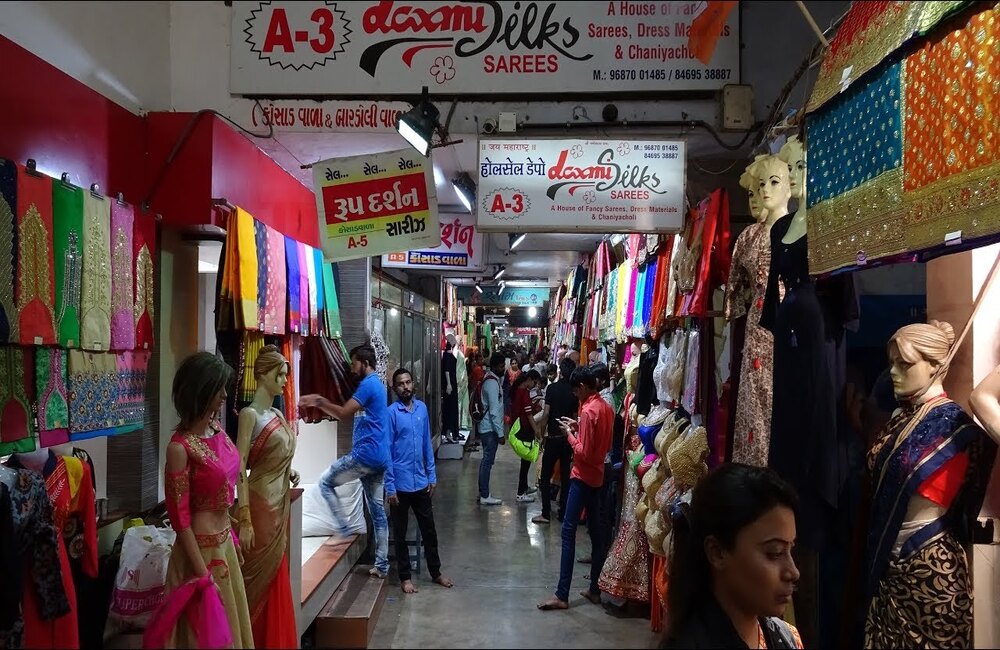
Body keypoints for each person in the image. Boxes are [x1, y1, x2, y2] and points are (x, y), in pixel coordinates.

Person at [162, 352, 253, 647]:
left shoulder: (218, 432)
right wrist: (202, 576)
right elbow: (181, 520)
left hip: (225, 545)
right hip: (198, 555)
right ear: (201, 391)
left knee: (230, 629)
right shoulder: (180, 448)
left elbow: (225, 494)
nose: (225, 395)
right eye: (219, 389)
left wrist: (235, 541)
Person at [662, 463, 803, 649]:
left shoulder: (787, 638)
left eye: (790, 550)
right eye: (774, 553)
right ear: (717, 552)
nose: (793, 572)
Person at [300, 344, 392, 579]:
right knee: (377, 512)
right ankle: (382, 566)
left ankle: (343, 529)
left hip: (365, 455)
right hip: (379, 457)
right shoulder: (378, 386)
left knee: (325, 482)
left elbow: (342, 413)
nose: (352, 368)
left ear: (365, 363)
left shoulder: (368, 385)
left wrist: (319, 401)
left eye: (353, 363)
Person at [235, 345, 299, 648]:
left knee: (276, 573)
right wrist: (244, 518)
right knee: (256, 575)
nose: (285, 380)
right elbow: (238, 468)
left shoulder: (275, 413)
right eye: (281, 374)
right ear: (263, 375)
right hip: (260, 506)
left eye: (286, 374)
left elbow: (278, 455)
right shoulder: (249, 416)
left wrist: (289, 470)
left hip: (280, 502)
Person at [537, 365, 614, 611]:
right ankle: (594, 589)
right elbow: (601, 447)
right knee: (598, 534)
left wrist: (569, 435)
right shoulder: (606, 408)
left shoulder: (590, 410)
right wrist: (577, 427)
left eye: (576, 391)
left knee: (568, 533)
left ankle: (562, 594)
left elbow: (584, 452)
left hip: (582, 478)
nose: (575, 396)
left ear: (582, 387)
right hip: (598, 477)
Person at [385, 368, 454, 594]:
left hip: (421, 481)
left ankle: (436, 572)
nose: (405, 387)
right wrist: (390, 486)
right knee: (400, 532)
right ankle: (405, 577)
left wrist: (431, 475)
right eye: (400, 384)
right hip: (400, 485)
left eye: (408, 382)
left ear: (413, 384)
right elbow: (386, 451)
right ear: (395, 388)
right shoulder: (391, 413)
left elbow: (426, 444)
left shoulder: (422, 409)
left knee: (429, 531)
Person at [532, 358, 578, 525]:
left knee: (545, 475)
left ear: (560, 371)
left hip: (552, 438)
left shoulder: (552, 389)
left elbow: (545, 415)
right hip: (567, 438)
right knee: (566, 477)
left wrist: (541, 433)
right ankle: (563, 512)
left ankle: (545, 513)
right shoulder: (574, 392)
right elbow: (573, 419)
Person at [478, 354, 506, 506]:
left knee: (486, 461)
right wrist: (501, 433)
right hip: (489, 429)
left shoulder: (490, 379)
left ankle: (483, 491)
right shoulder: (492, 383)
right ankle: (484, 494)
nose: (504, 369)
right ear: (495, 366)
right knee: (487, 462)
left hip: (486, 427)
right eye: (502, 366)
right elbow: (494, 411)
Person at [511, 369, 543, 502]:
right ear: (529, 379)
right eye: (534, 383)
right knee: (526, 461)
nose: (534, 386)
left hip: (519, 427)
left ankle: (524, 488)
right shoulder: (524, 393)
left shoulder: (518, 390)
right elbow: (529, 415)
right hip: (525, 429)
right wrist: (537, 430)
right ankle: (520, 493)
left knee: (525, 461)